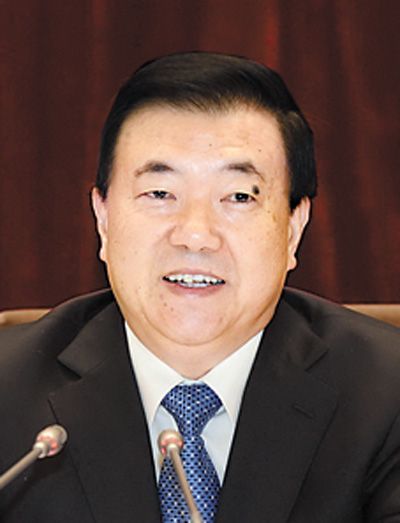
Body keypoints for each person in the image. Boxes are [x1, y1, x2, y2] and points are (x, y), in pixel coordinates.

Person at [0, 52, 399, 523]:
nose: (195, 235)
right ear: (103, 220)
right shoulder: (8, 391)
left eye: (238, 196)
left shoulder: (386, 397)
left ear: (293, 229)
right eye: (160, 193)